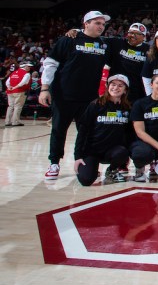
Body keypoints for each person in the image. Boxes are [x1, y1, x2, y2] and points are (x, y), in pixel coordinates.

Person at [40, 10, 112, 180]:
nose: (101, 27)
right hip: (63, 95)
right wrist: (44, 88)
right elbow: (50, 63)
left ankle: (82, 161)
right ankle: (54, 163)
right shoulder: (69, 39)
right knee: (58, 130)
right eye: (97, 23)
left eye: (103, 24)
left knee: (86, 131)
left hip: (88, 97)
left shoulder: (103, 45)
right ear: (86, 24)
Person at [73, 74, 132, 186]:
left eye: (120, 86)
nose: (116, 88)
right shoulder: (96, 105)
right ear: (107, 86)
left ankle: (112, 170)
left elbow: (129, 133)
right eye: (113, 84)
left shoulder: (127, 108)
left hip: (112, 151)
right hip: (92, 150)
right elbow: (82, 130)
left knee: (122, 152)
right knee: (86, 180)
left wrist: (126, 157)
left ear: (125, 90)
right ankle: (93, 169)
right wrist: (78, 156)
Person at [129, 74, 158, 182]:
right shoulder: (140, 104)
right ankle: (140, 169)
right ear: (151, 85)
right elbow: (140, 132)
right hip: (146, 143)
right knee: (142, 153)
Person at [5, 61, 33, 127]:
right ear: (24, 66)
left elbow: (7, 82)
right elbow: (23, 83)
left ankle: (7, 121)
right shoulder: (26, 74)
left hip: (10, 92)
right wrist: (15, 87)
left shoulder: (13, 73)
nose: (29, 68)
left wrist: (10, 87)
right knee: (18, 106)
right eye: (28, 66)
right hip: (20, 91)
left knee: (10, 106)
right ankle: (15, 121)